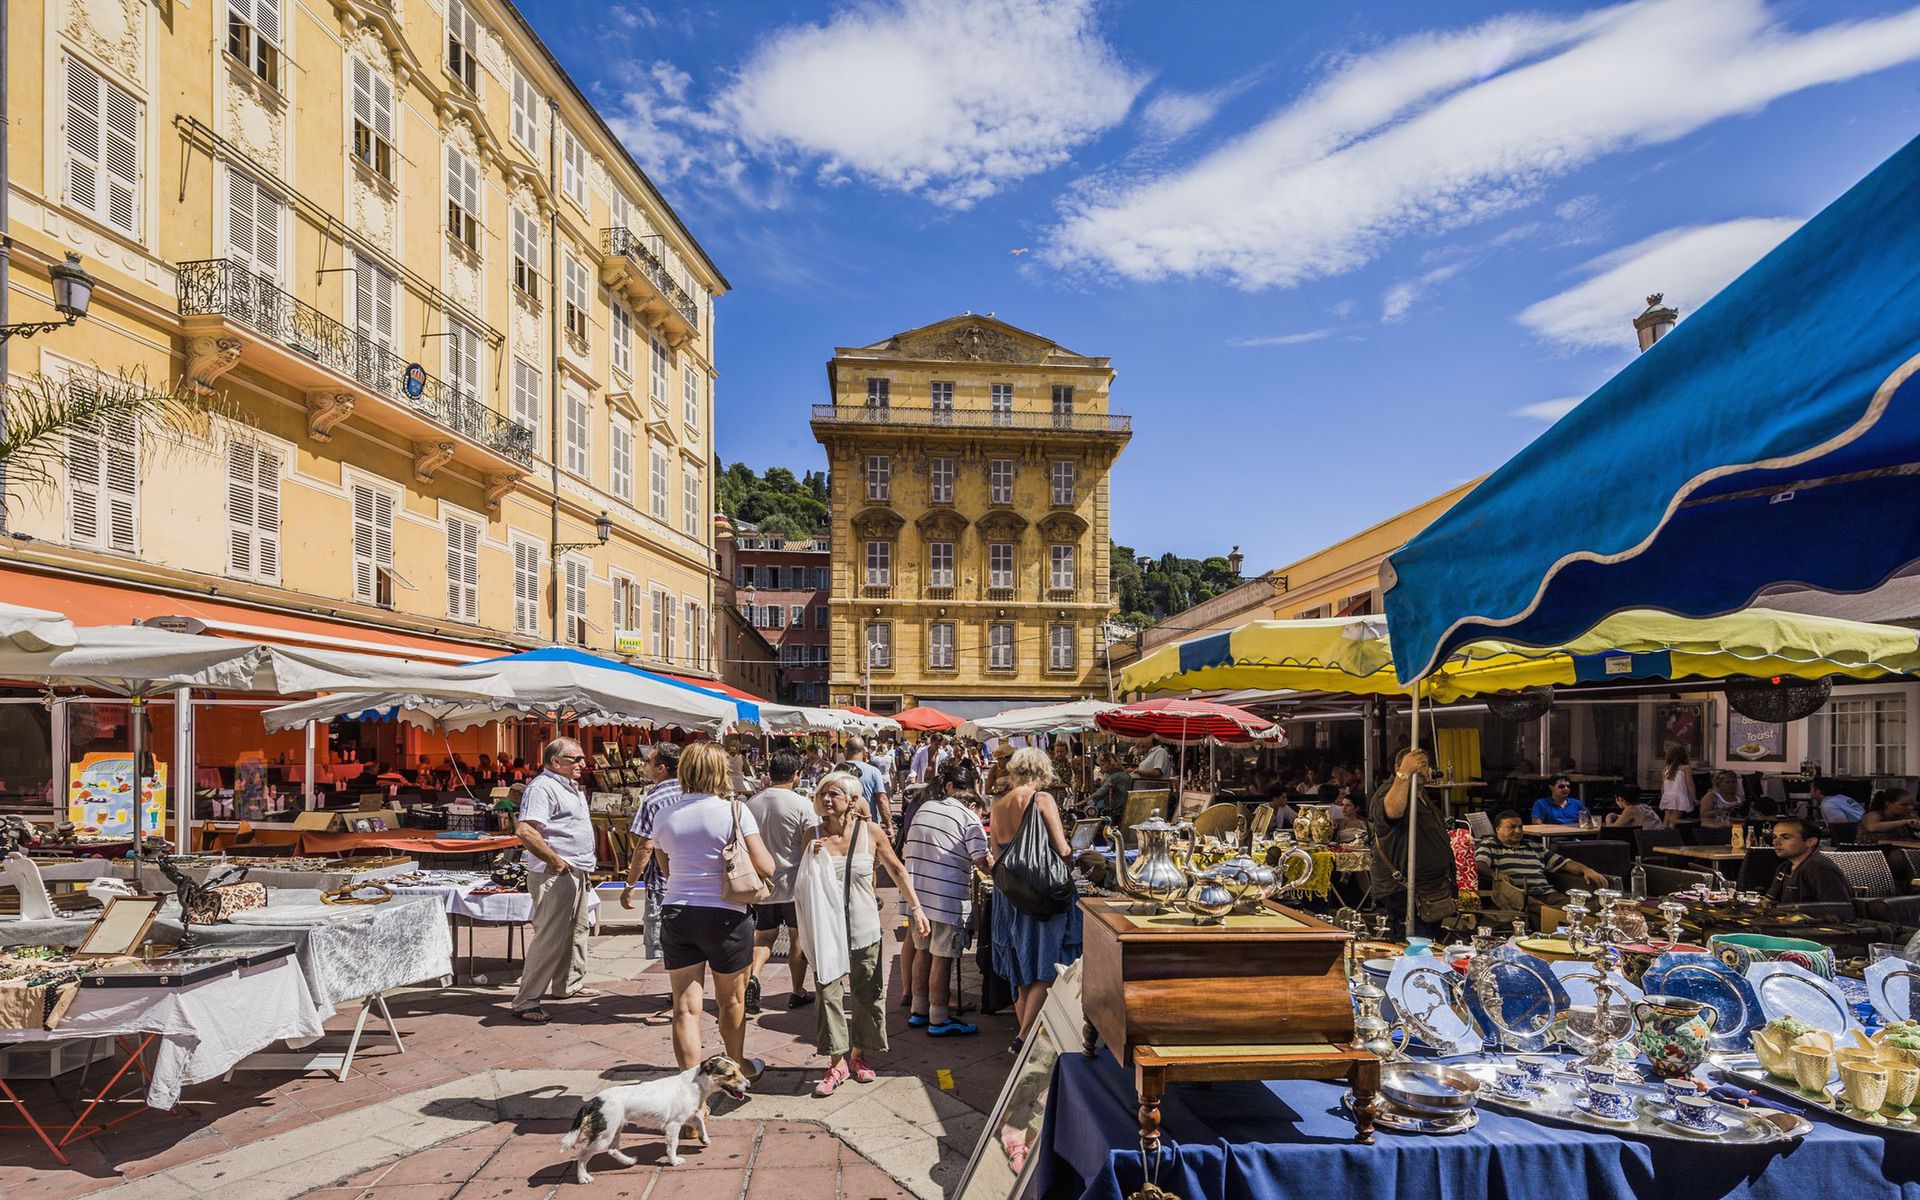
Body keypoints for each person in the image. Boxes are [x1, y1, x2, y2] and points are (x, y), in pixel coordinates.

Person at [650, 741, 777, 1075]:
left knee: (685, 1008)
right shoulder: (735, 810)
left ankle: (692, 1096)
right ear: (721, 771)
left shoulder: (664, 814)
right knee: (730, 1001)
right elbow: (766, 867)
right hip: (726, 915)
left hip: (677, 912)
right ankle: (737, 1067)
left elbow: (667, 870)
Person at [804, 771, 930, 1097]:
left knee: (867, 992)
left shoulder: (870, 833)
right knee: (827, 994)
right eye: (823, 794)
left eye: (834, 794)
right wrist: (808, 858)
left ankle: (859, 1055)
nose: (827, 800)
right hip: (825, 927)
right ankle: (836, 1063)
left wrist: (916, 908)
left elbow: (897, 870)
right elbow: (799, 884)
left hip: (863, 925)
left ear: (852, 799)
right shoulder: (812, 835)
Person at [990, 747, 1081, 1050]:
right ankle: (1024, 1036)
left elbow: (996, 855)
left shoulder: (998, 804)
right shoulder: (1042, 799)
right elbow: (1063, 849)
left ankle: (1025, 1038)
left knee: (1021, 965)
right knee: (1048, 961)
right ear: (1042, 771)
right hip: (1040, 893)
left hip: (1011, 894)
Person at [510, 739, 600, 1023]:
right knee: (549, 936)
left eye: (583, 759)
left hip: (577, 868)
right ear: (555, 761)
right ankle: (526, 1000)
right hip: (557, 871)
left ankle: (567, 984)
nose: (583, 764)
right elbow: (525, 831)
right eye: (575, 759)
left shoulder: (568, 786)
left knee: (577, 930)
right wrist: (556, 861)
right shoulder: (542, 787)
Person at [904, 758, 993, 1037]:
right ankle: (939, 1018)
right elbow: (982, 861)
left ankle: (919, 1011)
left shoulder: (925, 807)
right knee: (942, 957)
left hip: (919, 896)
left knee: (922, 951)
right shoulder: (969, 818)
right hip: (946, 897)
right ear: (973, 800)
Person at [744, 751, 816, 1015]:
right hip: (794, 883)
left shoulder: (751, 803)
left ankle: (754, 976)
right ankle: (797, 991)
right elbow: (811, 844)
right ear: (796, 775)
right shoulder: (801, 804)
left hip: (763, 884)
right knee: (798, 937)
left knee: (764, 936)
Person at [1367, 748, 1455, 940]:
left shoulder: (1422, 795)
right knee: (1412, 946)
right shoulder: (1389, 792)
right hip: (1404, 889)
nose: (1420, 769)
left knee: (1428, 944)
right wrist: (1405, 773)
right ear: (1397, 767)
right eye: (1414, 764)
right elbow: (1393, 811)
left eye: (1423, 765)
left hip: (1431, 889)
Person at [1476, 810, 1607, 907]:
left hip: (1547, 893)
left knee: (1580, 907)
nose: (1517, 831)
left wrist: (1586, 869)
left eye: (1520, 827)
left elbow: (1564, 863)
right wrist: (1495, 874)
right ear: (1497, 829)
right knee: (1543, 910)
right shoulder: (1490, 845)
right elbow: (1479, 864)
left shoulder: (1535, 847)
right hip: (1519, 895)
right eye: (1511, 827)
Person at [1765, 818, 1856, 905]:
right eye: (1774, 837)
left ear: (1810, 842)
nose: (1775, 842)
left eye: (1786, 837)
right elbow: (1769, 901)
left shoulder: (1819, 868)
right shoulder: (1785, 867)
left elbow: (1838, 910)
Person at [843, 736, 893, 834]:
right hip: (868, 825)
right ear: (865, 752)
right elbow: (882, 800)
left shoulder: (836, 770)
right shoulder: (873, 771)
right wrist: (889, 826)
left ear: (845, 751)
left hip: (841, 827)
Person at [1085, 752, 1133, 825]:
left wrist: (1086, 801)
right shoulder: (1115, 775)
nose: (1101, 768)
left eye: (1103, 765)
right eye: (1100, 765)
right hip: (1118, 806)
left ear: (1111, 764)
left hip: (1117, 809)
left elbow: (1101, 792)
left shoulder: (1115, 777)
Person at [1659, 746, 1697, 828]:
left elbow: (1663, 785)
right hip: (1680, 796)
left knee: (1667, 818)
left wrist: (1663, 796)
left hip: (1668, 796)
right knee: (1674, 819)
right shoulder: (1685, 768)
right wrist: (1693, 798)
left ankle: (1662, 834)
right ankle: (1670, 835)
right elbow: (1690, 784)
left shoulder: (1666, 769)